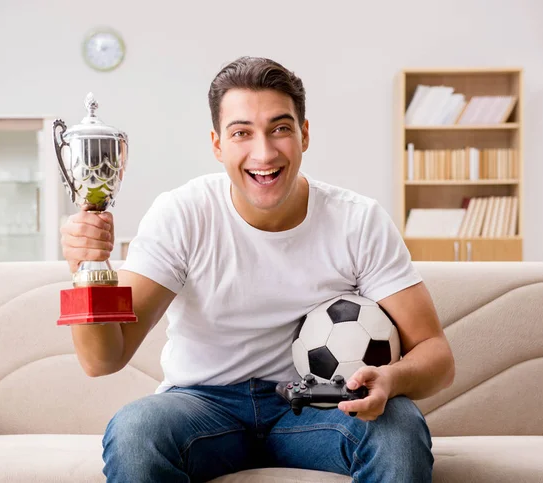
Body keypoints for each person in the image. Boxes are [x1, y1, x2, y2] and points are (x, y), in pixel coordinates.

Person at [60, 56, 455, 483]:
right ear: (217, 144)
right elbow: (103, 358)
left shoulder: (357, 221)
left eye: (280, 129)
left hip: (315, 405)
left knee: (398, 424)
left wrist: (390, 380)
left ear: (304, 134)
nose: (264, 152)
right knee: (136, 429)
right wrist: (86, 267)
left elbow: (437, 356)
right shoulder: (182, 214)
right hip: (200, 407)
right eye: (242, 133)